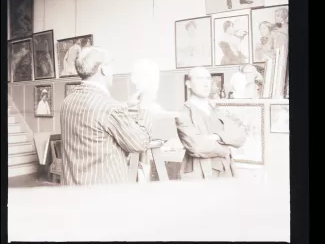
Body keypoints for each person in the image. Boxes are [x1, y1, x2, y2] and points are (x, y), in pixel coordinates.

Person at [60, 46, 153, 186]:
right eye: (111, 64)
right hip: (104, 194)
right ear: (103, 69)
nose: (113, 71)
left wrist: (126, 105)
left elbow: (94, 118)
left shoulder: (67, 102)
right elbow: (140, 143)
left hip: (73, 189)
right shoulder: (109, 107)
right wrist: (146, 108)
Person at [175, 67, 246, 180]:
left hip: (226, 172)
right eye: (200, 79)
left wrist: (216, 136)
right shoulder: (183, 114)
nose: (206, 83)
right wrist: (225, 148)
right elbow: (196, 147)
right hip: (200, 174)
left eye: (208, 79)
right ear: (188, 84)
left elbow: (241, 136)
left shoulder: (217, 109)